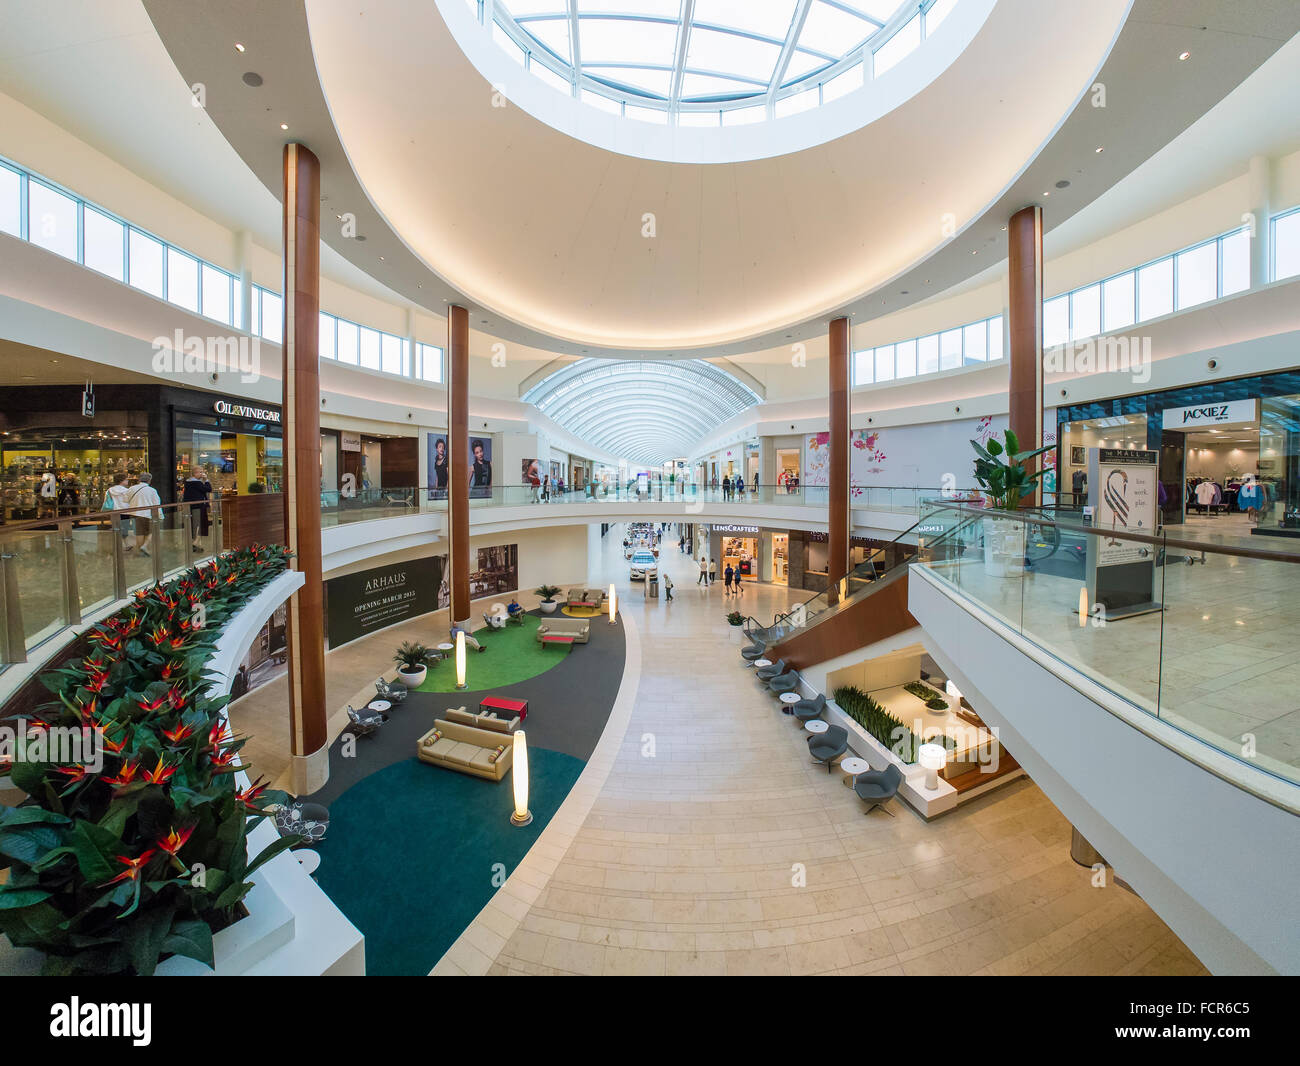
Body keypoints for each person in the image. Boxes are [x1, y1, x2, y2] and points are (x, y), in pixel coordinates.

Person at [125, 472, 161, 557]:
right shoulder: (152, 490)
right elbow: (157, 503)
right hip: (148, 514)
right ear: (149, 480)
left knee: (139, 532)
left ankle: (141, 551)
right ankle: (144, 546)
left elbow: (125, 500)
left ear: (139, 479)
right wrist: (160, 515)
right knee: (152, 530)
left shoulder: (132, 488)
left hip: (135, 513)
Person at [181, 466, 212, 550]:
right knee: (201, 525)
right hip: (199, 507)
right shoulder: (196, 483)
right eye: (200, 472)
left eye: (203, 472)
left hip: (192, 507)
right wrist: (206, 480)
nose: (202, 474)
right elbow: (209, 489)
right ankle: (195, 543)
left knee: (196, 525)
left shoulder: (188, 482)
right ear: (195, 473)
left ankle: (198, 545)